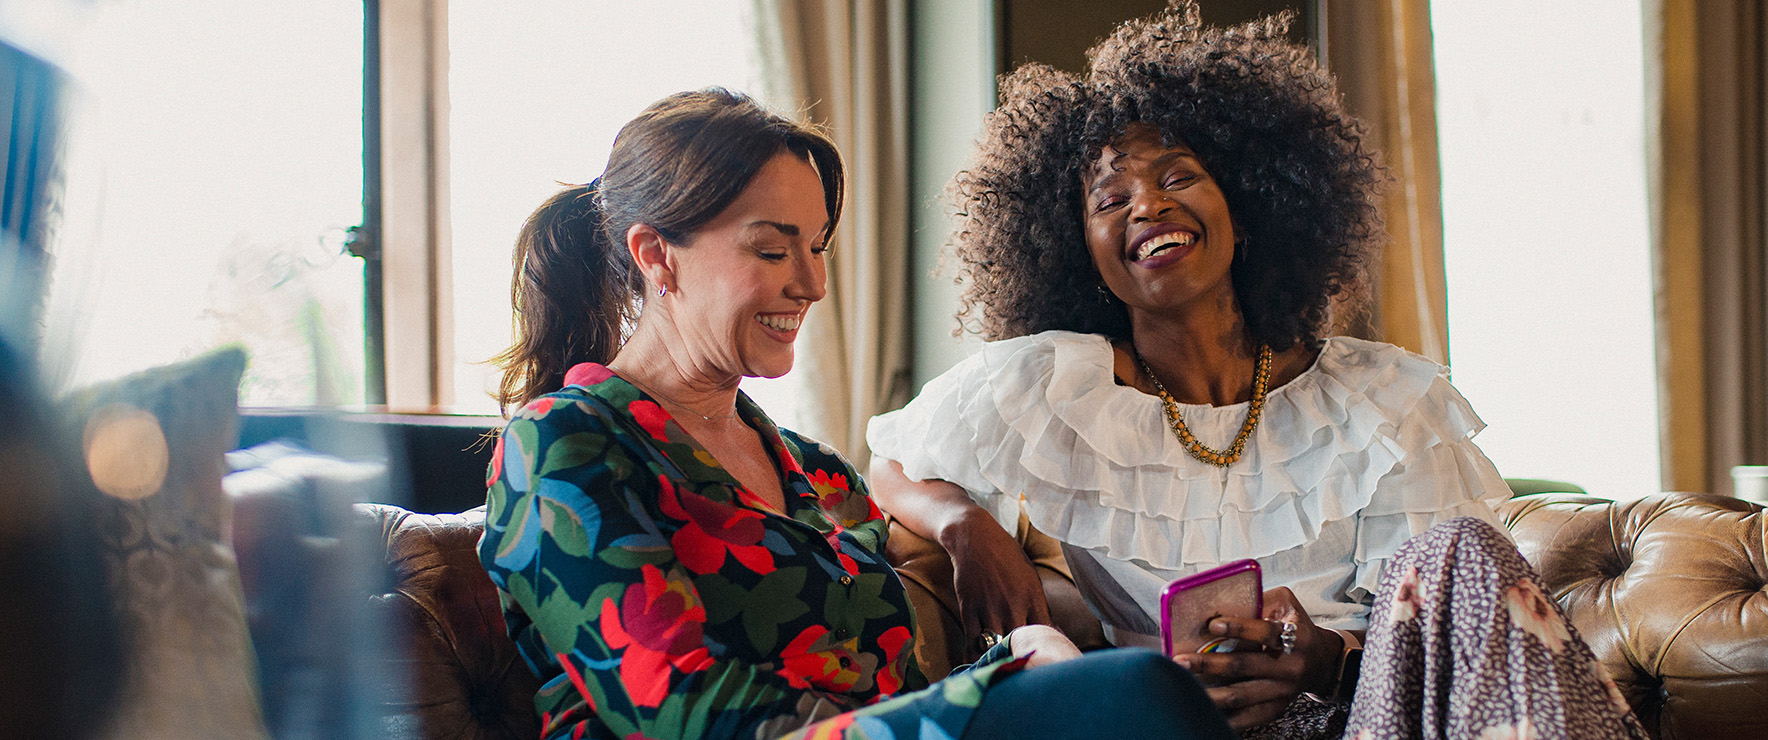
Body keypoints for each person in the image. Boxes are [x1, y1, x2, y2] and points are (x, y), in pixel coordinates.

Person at [865, 5, 1649, 739]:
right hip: (1176, 720)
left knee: (1460, 551)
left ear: (1248, 208)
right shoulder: (1051, 387)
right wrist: (965, 526)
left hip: (1361, 712)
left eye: (1177, 177)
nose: (1147, 206)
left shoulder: (1380, 399)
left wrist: (1322, 658)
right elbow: (892, 463)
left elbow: (1435, 628)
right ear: (1078, 252)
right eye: (1111, 198)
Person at [478, 88, 1236, 740]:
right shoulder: (564, 444)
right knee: (1139, 693)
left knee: (1136, 689)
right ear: (656, 255)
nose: (812, 283)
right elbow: (682, 714)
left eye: (817, 247)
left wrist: (1022, 651)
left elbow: (889, 695)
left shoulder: (817, 474)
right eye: (774, 251)